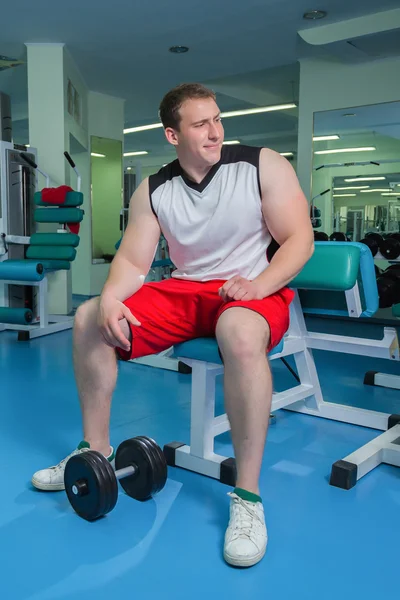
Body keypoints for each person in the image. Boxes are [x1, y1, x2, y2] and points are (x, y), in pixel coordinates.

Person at [32, 83, 314, 568]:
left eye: (218, 119)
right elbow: (133, 261)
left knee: (240, 332)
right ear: (172, 134)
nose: (215, 131)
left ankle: (247, 498)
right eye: (201, 123)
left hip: (251, 285)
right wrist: (110, 298)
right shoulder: (155, 189)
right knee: (86, 317)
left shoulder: (262, 164)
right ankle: (93, 451)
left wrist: (260, 284)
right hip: (186, 290)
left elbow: (300, 239)